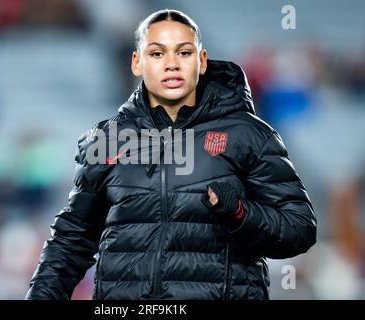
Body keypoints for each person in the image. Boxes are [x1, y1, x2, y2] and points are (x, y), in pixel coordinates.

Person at [26, 9, 317, 300]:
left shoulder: (248, 135)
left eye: (184, 52)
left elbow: (300, 229)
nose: (171, 65)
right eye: (157, 54)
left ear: (201, 62)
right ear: (137, 63)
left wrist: (241, 214)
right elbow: (70, 241)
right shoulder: (109, 140)